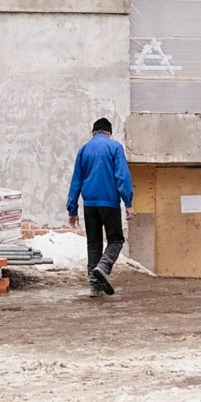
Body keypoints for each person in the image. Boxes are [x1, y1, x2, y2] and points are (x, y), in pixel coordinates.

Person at [64, 117, 134, 295]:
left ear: (94, 132)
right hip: (109, 203)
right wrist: (128, 202)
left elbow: (76, 181)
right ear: (108, 132)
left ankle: (95, 287)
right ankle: (103, 267)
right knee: (116, 239)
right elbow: (122, 177)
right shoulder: (114, 147)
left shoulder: (84, 149)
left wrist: (72, 209)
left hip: (90, 205)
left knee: (93, 243)